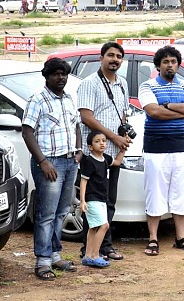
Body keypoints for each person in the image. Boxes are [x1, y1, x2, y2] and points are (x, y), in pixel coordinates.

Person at [138, 45, 184, 255]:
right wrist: (180, 111)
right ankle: (153, 239)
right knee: (154, 192)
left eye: (173, 61)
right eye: (165, 62)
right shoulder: (147, 86)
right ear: (158, 66)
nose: (170, 65)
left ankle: (181, 237)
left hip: (182, 146)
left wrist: (168, 106)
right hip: (156, 146)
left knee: (181, 192)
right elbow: (153, 112)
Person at [21, 58, 81, 281]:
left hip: (69, 161)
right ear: (46, 76)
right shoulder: (38, 100)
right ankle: (43, 261)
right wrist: (43, 162)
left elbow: (76, 124)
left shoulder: (68, 99)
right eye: (56, 74)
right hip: (49, 163)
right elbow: (27, 132)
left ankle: (56, 256)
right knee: (46, 214)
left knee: (61, 212)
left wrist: (79, 149)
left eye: (64, 74)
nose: (61, 78)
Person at [77, 42, 130, 262]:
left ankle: (104, 246)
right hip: (94, 154)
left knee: (109, 200)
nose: (114, 59)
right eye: (110, 55)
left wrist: (123, 137)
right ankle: (90, 249)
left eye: (118, 56)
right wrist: (113, 137)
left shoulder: (123, 84)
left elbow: (123, 114)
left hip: (112, 153)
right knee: (93, 202)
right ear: (101, 58)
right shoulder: (90, 83)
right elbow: (86, 117)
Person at [79, 131, 125, 268]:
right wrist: (82, 201)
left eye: (103, 141)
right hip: (92, 199)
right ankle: (95, 255)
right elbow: (83, 181)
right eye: (97, 141)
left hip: (101, 199)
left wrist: (123, 149)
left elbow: (117, 162)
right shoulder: (88, 161)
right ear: (90, 146)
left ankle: (88, 255)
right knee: (104, 225)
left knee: (94, 227)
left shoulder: (105, 158)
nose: (102, 143)